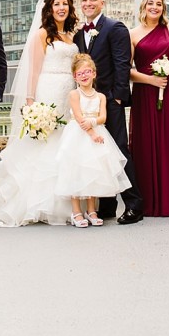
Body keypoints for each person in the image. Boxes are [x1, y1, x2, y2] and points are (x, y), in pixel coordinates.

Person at [0, 0, 79, 226]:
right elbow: (34, 70)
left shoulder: (72, 35)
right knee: (43, 145)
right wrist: (30, 101)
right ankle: (34, 204)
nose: (61, 8)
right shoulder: (42, 34)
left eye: (65, 4)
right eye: (57, 4)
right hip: (48, 91)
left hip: (69, 93)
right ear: (49, 8)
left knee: (63, 146)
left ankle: (63, 204)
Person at [74, 0, 143, 224]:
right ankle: (107, 206)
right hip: (86, 103)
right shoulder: (78, 34)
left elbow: (123, 64)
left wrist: (116, 98)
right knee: (97, 153)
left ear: (102, 3)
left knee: (119, 151)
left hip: (109, 102)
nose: (88, 3)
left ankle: (134, 205)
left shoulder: (115, 28)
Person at [129, 0, 169, 217]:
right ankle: (148, 200)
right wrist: (151, 80)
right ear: (143, 6)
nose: (154, 7)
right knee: (146, 143)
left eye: (159, 4)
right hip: (145, 92)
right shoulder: (132, 34)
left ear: (163, 8)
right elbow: (127, 70)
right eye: (150, 3)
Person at [55, 54, 132, 227]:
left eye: (87, 72)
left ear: (94, 73)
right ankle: (76, 211)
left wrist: (94, 124)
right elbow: (79, 117)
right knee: (76, 171)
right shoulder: (74, 94)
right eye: (80, 73)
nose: (84, 76)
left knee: (94, 172)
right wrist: (92, 133)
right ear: (75, 76)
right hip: (78, 135)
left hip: (97, 133)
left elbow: (103, 117)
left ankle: (91, 210)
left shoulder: (101, 96)